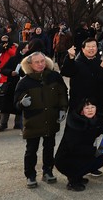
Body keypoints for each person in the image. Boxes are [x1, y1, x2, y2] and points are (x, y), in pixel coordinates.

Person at [14, 51, 68, 189]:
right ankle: (30, 175)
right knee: (31, 149)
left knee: (49, 147)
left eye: (42, 61)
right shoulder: (24, 82)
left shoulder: (54, 77)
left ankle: (48, 171)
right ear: (30, 64)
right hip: (33, 120)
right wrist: (21, 103)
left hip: (51, 118)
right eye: (37, 62)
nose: (40, 64)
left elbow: (63, 93)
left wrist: (63, 109)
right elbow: (15, 103)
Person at [54, 98, 103, 191]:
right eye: (87, 108)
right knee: (96, 157)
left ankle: (78, 176)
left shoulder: (93, 121)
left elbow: (102, 129)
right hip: (65, 159)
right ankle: (73, 181)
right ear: (81, 110)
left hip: (79, 154)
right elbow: (74, 148)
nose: (90, 110)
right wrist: (94, 151)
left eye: (92, 107)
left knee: (99, 159)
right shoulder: (75, 125)